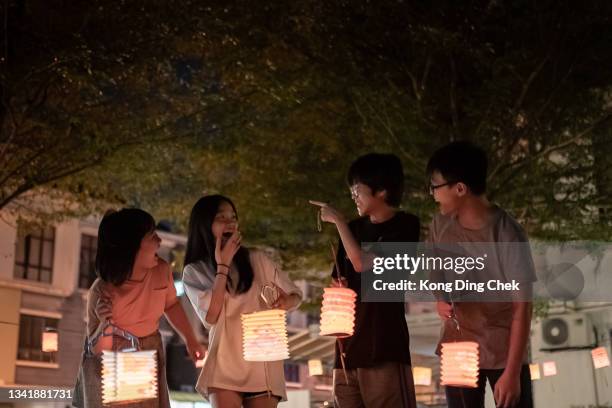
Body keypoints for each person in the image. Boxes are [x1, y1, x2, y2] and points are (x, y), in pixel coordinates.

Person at [426, 141, 536, 408]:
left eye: (435, 187)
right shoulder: (440, 225)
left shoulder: (507, 234)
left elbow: (523, 308)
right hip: (458, 346)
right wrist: (440, 298)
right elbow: (434, 268)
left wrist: (512, 373)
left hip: (503, 351)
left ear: (460, 188)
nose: (432, 195)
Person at [311, 153, 419, 408]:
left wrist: (338, 221)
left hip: (384, 345)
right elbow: (341, 279)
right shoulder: (354, 228)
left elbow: (360, 263)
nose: (353, 198)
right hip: (347, 349)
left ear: (381, 190)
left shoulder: (405, 226)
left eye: (357, 191)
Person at [73, 208, 205, 408]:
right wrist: (103, 323)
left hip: (149, 350)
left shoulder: (161, 271)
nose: (159, 241)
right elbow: (96, 350)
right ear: (130, 247)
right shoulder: (104, 291)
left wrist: (191, 339)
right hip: (115, 362)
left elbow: (171, 304)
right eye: (152, 236)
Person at [182, 195, 303, 408]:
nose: (230, 223)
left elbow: (295, 294)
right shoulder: (195, 271)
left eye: (233, 217)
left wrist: (286, 302)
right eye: (221, 218)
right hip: (224, 364)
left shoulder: (257, 259)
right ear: (204, 224)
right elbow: (211, 315)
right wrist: (223, 266)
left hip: (263, 362)